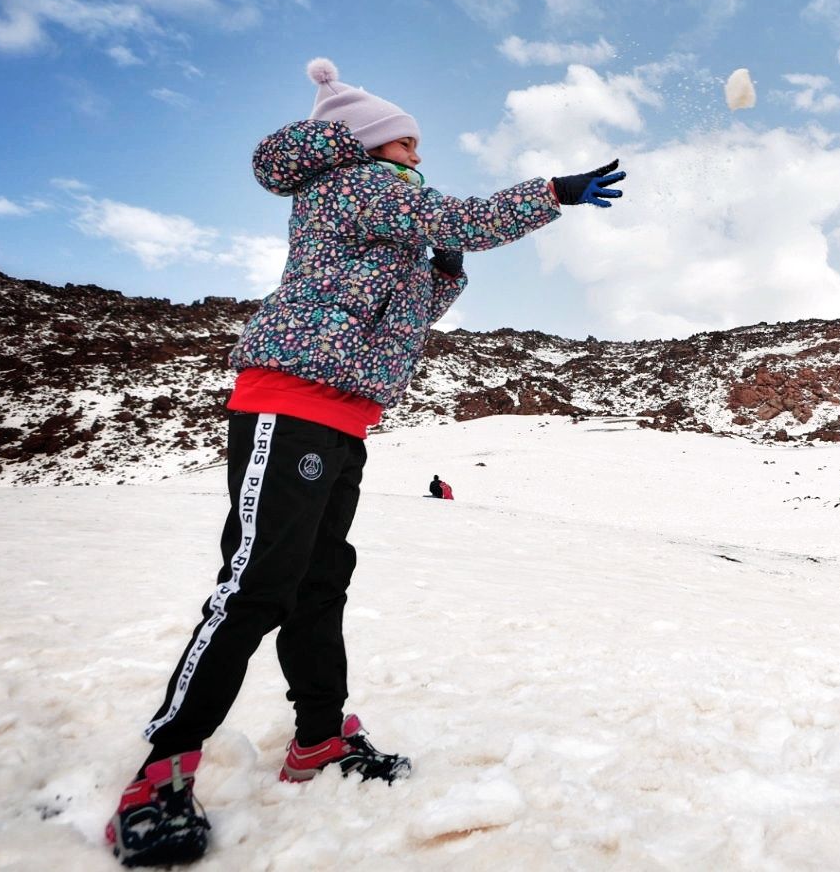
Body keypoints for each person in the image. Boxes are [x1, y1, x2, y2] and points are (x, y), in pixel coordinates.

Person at [105, 58, 627, 868]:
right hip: (291, 402)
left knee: (319, 583)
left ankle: (317, 740)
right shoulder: (357, 179)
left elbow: (419, 304)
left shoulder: (384, 201)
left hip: (342, 417)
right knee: (256, 587)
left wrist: (446, 260)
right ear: (365, 141)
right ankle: (159, 774)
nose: (417, 152)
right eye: (406, 140)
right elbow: (469, 212)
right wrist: (552, 193)